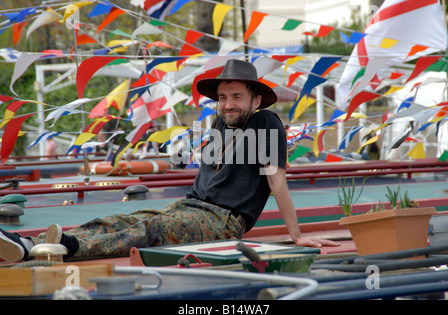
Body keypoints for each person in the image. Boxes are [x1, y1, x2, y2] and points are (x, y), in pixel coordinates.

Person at [0, 59, 339, 263]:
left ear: (255, 99)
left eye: (236, 96)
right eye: (222, 98)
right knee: (122, 218)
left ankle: (62, 248)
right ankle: (33, 243)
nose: (227, 104)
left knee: (150, 230)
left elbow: (276, 179)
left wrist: (296, 236)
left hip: (224, 221)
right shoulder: (221, 123)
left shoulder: (266, 123)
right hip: (190, 207)